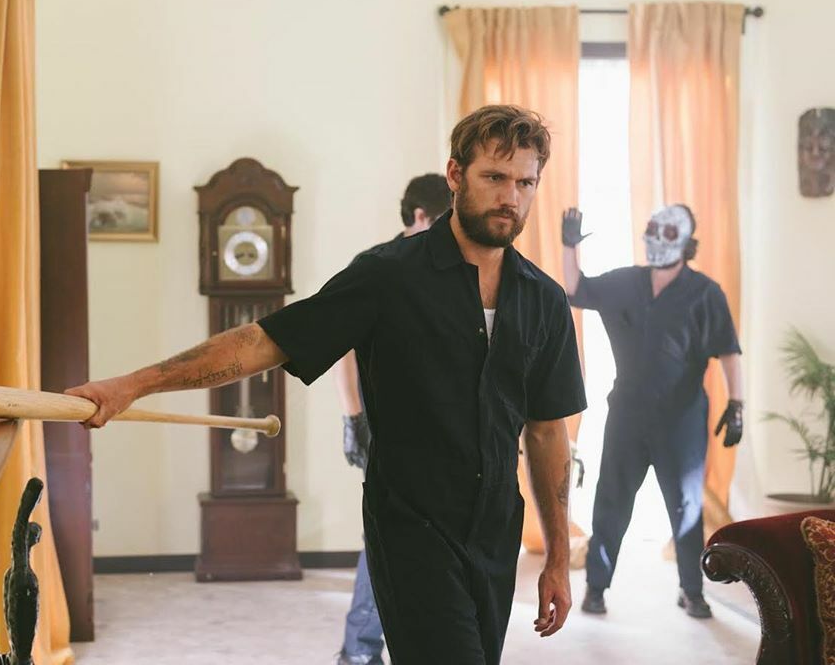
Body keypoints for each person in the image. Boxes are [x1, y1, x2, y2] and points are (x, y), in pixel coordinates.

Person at [68, 104, 586, 664]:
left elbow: (546, 431)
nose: (510, 197)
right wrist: (135, 384)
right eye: (495, 177)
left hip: (494, 531)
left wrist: (557, 557)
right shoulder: (389, 275)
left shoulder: (544, 300)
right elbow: (264, 341)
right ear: (456, 175)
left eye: (525, 183)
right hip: (411, 528)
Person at [561, 205, 744, 619]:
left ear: (685, 241)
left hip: (682, 421)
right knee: (611, 500)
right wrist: (569, 245)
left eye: (668, 232)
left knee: (686, 508)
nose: (658, 238)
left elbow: (728, 352)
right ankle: (595, 587)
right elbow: (575, 289)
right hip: (627, 414)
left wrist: (737, 405)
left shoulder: (705, 293)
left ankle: (692, 590)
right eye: (653, 229)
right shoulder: (626, 282)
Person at [334, 173, 453, 665]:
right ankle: (359, 651)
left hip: (438, 429)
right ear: (420, 216)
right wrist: (353, 419)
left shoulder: (449, 266)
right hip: (385, 429)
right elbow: (342, 344)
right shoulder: (376, 267)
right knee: (388, 538)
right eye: (444, 220)